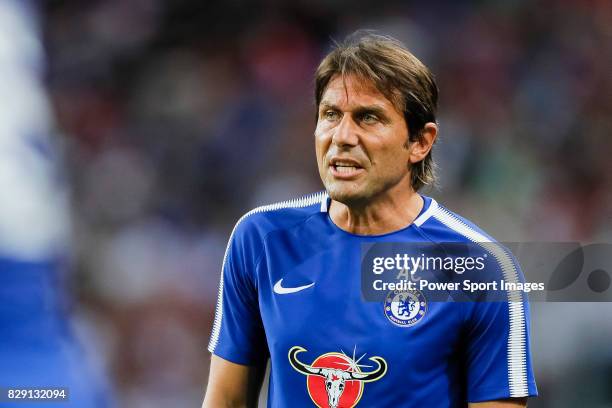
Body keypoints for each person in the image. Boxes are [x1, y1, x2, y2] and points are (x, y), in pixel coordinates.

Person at [203, 33, 537, 407]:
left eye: (368, 117)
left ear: (420, 142)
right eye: (330, 115)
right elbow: (226, 401)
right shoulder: (262, 238)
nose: (342, 136)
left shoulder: (480, 267)